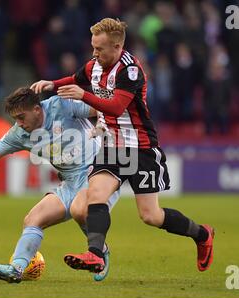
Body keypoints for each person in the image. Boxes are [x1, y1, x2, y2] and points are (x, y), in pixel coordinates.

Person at [31, 18, 215, 275]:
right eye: (93, 47)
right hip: (111, 147)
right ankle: (96, 254)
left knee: (150, 215)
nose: (94, 54)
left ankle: (202, 233)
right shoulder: (94, 65)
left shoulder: (130, 71)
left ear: (117, 47)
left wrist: (83, 95)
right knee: (96, 195)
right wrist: (53, 84)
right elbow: (76, 77)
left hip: (140, 147)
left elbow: (117, 106)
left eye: (100, 49)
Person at [0, 87, 119, 283]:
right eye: (15, 119)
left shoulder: (61, 105)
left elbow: (104, 109)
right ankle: (16, 269)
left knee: (79, 210)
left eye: (21, 117)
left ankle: (98, 251)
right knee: (33, 219)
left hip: (96, 171)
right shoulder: (19, 133)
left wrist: (104, 131)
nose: (19, 124)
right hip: (69, 182)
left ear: (37, 109)